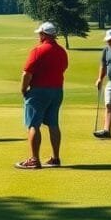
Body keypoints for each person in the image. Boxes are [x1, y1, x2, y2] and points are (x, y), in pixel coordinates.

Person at [16, 21, 69, 169]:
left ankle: (34, 159)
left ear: (44, 35)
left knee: (33, 124)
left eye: (40, 34)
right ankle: (56, 158)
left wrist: (23, 89)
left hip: (38, 91)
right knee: (53, 124)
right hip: (57, 91)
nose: (39, 36)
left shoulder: (38, 50)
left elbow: (27, 73)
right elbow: (63, 68)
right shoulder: (62, 51)